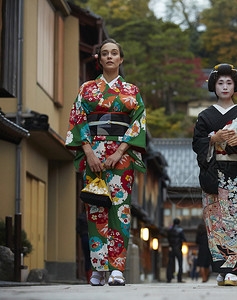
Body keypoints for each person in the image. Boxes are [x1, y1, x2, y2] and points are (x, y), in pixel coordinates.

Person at [65, 38, 147, 286]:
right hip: (94, 153)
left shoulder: (132, 91)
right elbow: (77, 117)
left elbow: (138, 122)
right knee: (95, 207)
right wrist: (89, 151)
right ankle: (99, 268)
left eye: (114, 53)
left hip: (121, 156)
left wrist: (120, 151)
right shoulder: (86, 89)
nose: (110, 57)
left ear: (121, 59)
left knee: (119, 210)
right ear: (99, 60)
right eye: (105, 53)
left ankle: (117, 269)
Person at [192, 63, 237, 287]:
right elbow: (197, 143)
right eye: (220, 82)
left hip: (235, 172)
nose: (224, 87)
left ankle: (232, 269)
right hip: (214, 171)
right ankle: (222, 269)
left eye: (229, 83)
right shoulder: (205, 116)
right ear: (214, 85)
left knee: (234, 221)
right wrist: (212, 140)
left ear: (235, 86)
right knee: (214, 222)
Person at [166, 218, 187, 283]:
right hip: (178, 248)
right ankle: (179, 278)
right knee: (180, 264)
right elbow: (184, 239)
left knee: (170, 264)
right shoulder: (180, 230)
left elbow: (168, 238)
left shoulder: (170, 230)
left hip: (171, 248)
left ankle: (169, 278)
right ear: (179, 223)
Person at [76, 210, 91, 283]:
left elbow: (78, 229)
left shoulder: (81, 217)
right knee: (95, 256)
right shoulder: (93, 216)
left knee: (87, 257)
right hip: (94, 238)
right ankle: (95, 275)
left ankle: (88, 278)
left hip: (84, 237)